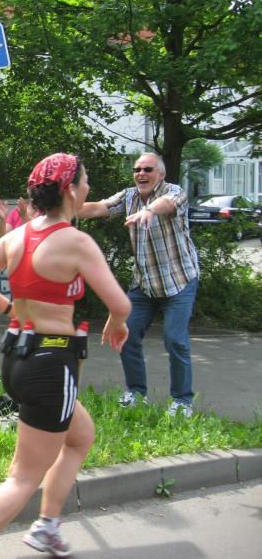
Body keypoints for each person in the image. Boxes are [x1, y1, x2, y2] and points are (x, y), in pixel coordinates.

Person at [0, 153, 131, 559]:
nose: (88, 188)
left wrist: (10, 309)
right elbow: (120, 303)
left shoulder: (19, 235)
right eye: (84, 182)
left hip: (18, 358)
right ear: (70, 190)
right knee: (23, 477)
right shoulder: (76, 242)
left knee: (80, 436)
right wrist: (117, 322)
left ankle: (47, 526)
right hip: (52, 364)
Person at [78, 152, 200, 417]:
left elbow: (167, 204)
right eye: (137, 169)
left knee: (175, 340)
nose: (141, 174)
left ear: (161, 174)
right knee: (126, 334)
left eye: (147, 169)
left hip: (179, 281)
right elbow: (98, 207)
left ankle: (182, 401)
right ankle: (136, 393)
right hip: (144, 283)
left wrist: (148, 210)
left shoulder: (174, 192)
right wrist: (60, 208)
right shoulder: (129, 196)